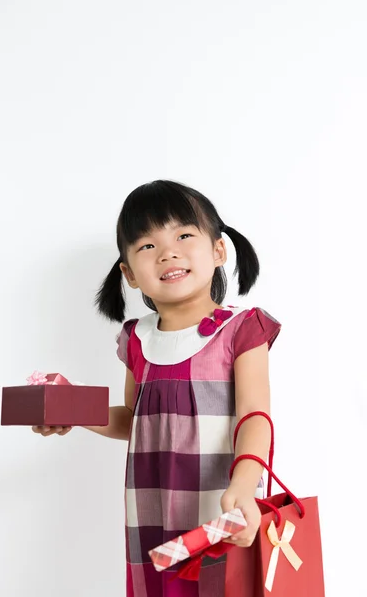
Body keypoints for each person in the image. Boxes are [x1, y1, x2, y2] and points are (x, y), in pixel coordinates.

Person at [33, 179, 282, 596]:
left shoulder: (241, 328)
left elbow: (256, 416)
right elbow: (134, 419)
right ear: (128, 273)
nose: (168, 251)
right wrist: (70, 408)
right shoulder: (136, 339)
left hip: (220, 501)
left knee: (221, 586)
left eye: (184, 235)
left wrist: (243, 481)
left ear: (218, 250)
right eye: (147, 245)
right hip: (150, 507)